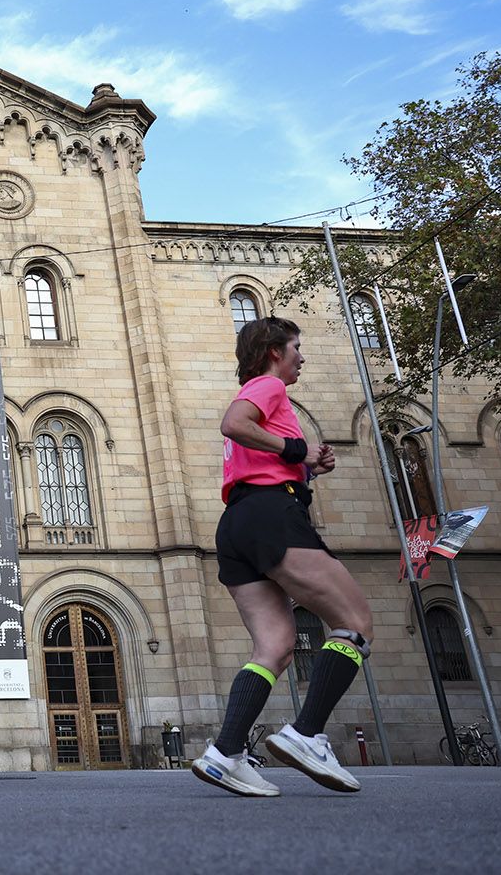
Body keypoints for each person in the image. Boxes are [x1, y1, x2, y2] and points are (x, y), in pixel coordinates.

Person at [192, 316, 370, 797]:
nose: (301, 356)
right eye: (296, 346)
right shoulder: (268, 385)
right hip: (271, 516)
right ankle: (307, 733)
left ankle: (225, 753)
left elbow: (256, 451)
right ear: (274, 350)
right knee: (353, 621)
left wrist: (307, 463)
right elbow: (234, 423)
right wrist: (296, 447)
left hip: (237, 523)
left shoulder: (265, 393)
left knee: (274, 647)